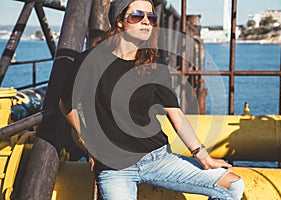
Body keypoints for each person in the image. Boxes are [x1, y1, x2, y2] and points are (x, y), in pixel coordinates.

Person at [59, 0, 245, 199]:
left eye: (151, 17)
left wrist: (203, 157)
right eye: (138, 16)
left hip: (157, 158)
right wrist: (90, 141)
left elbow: (176, 114)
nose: (147, 22)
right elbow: (66, 104)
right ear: (119, 21)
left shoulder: (154, 63)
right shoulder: (92, 60)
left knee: (232, 185)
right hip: (115, 168)